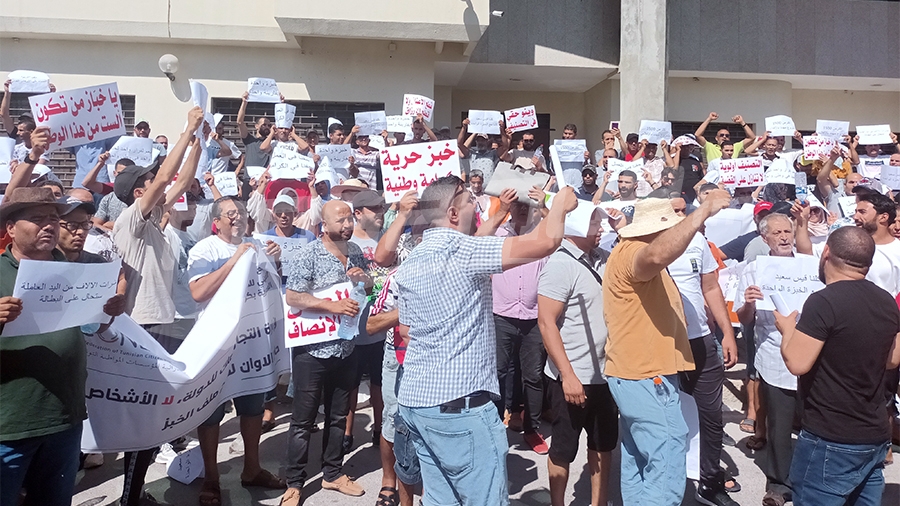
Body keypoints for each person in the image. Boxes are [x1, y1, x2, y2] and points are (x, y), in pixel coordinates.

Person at [394, 177, 578, 506]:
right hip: (460, 407)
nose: (476, 207)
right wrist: (560, 203)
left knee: (441, 500)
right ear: (452, 213)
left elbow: (406, 329)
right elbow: (547, 240)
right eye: (469, 202)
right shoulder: (464, 251)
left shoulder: (412, 260)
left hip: (415, 402)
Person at [602, 189, 731, 505]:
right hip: (646, 375)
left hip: (642, 374)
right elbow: (657, 255)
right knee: (667, 450)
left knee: (639, 458)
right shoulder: (635, 252)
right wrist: (701, 212)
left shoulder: (630, 251)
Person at [0, 187, 125, 506]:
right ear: (11, 228)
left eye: (54, 218)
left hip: (64, 418)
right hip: (9, 426)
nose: (49, 225)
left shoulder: (76, 270)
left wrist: (108, 313)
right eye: (38, 218)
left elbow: (95, 326)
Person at [111, 107, 203, 506]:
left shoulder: (157, 228)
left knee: (154, 419)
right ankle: (130, 498)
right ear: (138, 193)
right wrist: (186, 128)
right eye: (150, 182)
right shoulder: (130, 221)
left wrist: (201, 139)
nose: (159, 184)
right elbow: (167, 176)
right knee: (143, 421)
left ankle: (134, 494)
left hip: (161, 324)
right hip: (141, 327)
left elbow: (179, 180)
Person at [772, 226, 900, 505]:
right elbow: (893, 359)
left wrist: (787, 330)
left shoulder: (823, 301)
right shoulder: (887, 301)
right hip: (874, 435)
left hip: (830, 436)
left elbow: (797, 362)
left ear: (826, 252)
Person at [187, 196, 285, 506]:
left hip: (252, 344)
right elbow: (198, 292)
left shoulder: (259, 245)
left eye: (241, 212)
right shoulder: (205, 249)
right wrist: (234, 260)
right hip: (217, 345)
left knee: (253, 407)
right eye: (230, 214)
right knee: (212, 411)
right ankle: (211, 478)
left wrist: (276, 260)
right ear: (216, 221)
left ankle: (252, 468)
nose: (238, 217)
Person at [280, 200, 372, 506]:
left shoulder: (356, 252)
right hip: (312, 352)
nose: (347, 224)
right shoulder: (309, 254)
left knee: (337, 416)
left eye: (349, 218)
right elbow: (293, 295)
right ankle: (294, 483)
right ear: (324, 225)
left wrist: (364, 281)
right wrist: (331, 306)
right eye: (340, 220)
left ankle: (332, 474)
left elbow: (369, 288)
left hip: (346, 347)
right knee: (302, 421)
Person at [537, 207, 624, 506]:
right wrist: (568, 375)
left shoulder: (603, 257)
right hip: (573, 378)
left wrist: (620, 225)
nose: (601, 228)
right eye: (595, 222)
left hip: (606, 373)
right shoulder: (560, 265)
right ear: (574, 227)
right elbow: (546, 323)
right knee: (563, 449)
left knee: (603, 446)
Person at [667, 198, 740, 506]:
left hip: (702, 341)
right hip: (664, 346)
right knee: (668, 416)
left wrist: (726, 334)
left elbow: (710, 287)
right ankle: (670, 480)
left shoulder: (698, 242)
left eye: (685, 209)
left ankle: (708, 482)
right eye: (674, 210)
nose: (683, 215)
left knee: (711, 416)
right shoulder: (649, 243)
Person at [735, 212, 803, 506]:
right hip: (774, 356)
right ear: (764, 238)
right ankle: (778, 484)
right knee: (779, 425)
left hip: (810, 355)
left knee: (812, 424)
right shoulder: (752, 270)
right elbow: (744, 320)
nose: (784, 237)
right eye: (777, 233)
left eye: (787, 231)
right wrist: (748, 302)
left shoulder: (809, 265)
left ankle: (808, 479)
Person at [492, 197, 549, 453]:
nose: (523, 209)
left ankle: (532, 429)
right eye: (518, 205)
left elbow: (564, 234)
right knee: (498, 372)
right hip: (501, 314)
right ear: (510, 207)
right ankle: (493, 428)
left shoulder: (542, 234)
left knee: (533, 376)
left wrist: (546, 207)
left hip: (534, 317)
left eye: (527, 205)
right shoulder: (497, 234)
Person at [344, 189, 391, 453]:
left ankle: (379, 428)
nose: (380, 213)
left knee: (380, 381)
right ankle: (348, 431)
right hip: (354, 324)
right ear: (358, 214)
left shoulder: (389, 240)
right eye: (374, 209)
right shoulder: (348, 244)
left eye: (382, 208)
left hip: (383, 325)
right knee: (350, 382)